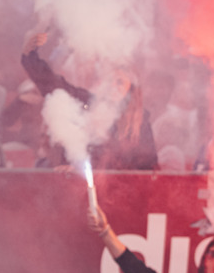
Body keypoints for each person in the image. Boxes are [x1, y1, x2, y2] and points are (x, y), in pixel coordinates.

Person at [21, 31, 158, 171]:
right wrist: (30, 56)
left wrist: (90, 171)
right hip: (79, 188)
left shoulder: (139, 122)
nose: (113, 86)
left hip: (118, 190)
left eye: (120, 83)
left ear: (130, 89)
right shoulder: (87, 102)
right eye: (110, 80)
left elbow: (147, 167)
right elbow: (53, 85)